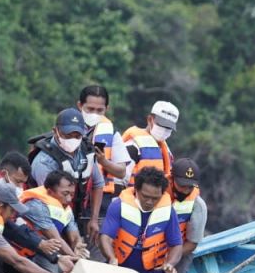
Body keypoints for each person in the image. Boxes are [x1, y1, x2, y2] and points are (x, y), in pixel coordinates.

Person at [99, 166, 189, 273]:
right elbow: (105, 237)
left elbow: (176, 244)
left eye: (155, 198)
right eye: (145, 196)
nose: (149, 202)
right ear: (136, 190)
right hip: (120, 272)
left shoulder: (168, 211)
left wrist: (170, 264)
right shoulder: (118, 206)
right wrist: (111, 258)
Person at [29, 108, 105, 245]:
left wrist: (93, 219)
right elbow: (51, 204)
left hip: (78, 213)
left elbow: (98, 184)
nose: (73, 140)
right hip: (47, 220)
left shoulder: (86, 151)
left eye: (77, 136)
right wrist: (73, 239)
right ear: (55, 131)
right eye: (67, 135)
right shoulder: (44, 162)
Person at [76, 85, 132, 227]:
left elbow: (121, 172)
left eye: (99, 110)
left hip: (101, 200)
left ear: (106, 109)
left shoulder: (112, 133)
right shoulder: (68, 128)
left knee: (95, 244)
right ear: (80, 106)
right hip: (71, 194)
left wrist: (104, 161)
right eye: (90, 109)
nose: (94, 113)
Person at [169, 157, 207, 273]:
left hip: (181, 249)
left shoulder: (198, 205)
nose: (185, 190)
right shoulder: (157, 194)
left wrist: (170, 260)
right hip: (154, 246)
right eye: (181, 185)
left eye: (189, 187)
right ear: (172, 179)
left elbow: (192, 243)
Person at [122, 100, 179, 190]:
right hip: (132, 200)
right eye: (161, 125)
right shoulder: (133, 146)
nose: (164, 130)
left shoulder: (167, 151)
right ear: (150, 119)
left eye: (168, 128)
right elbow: (119, 180)